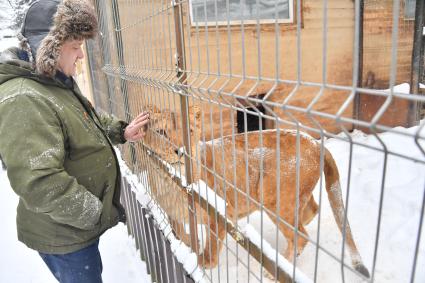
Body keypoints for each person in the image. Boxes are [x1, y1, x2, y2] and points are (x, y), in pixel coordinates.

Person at [0, 0, 150, 282]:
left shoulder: (53, 81)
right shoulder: (25, 98)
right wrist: (93, 213)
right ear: (50, 47)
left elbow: (84, 120)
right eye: (75, 46)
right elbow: (39, 183)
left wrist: (121, 132)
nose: (81, 56)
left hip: (71, 228)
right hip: (64, 236)